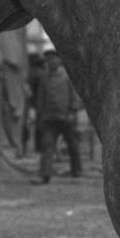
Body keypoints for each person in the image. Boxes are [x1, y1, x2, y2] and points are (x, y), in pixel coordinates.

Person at [33, 45, 82, 184]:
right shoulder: (44, 78)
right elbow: (40, 98)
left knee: (73, 145)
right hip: (49, 118)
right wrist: (40, 113)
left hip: (66, 117)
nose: (50, 62)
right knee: (47, 146)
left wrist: (73, 111)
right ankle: (45, 174)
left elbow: (74, 96)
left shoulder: (67, 76)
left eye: (53, 59)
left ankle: (76, 170)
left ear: (59, 60)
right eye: (48, 60)